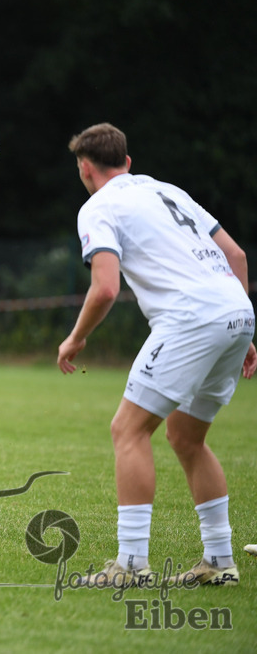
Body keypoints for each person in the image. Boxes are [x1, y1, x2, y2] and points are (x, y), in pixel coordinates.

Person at [57, 122, 256, 587]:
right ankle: (219, 561)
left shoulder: (97, 207)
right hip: (236, 313)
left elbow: (105, 288)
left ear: (85, 168)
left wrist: (76, 338)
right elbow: (237, 257)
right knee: (186, 437)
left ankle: (130, 565)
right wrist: (242, 325)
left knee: (128, 430)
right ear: (127, 162)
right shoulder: (168, 190)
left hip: (190, 319)